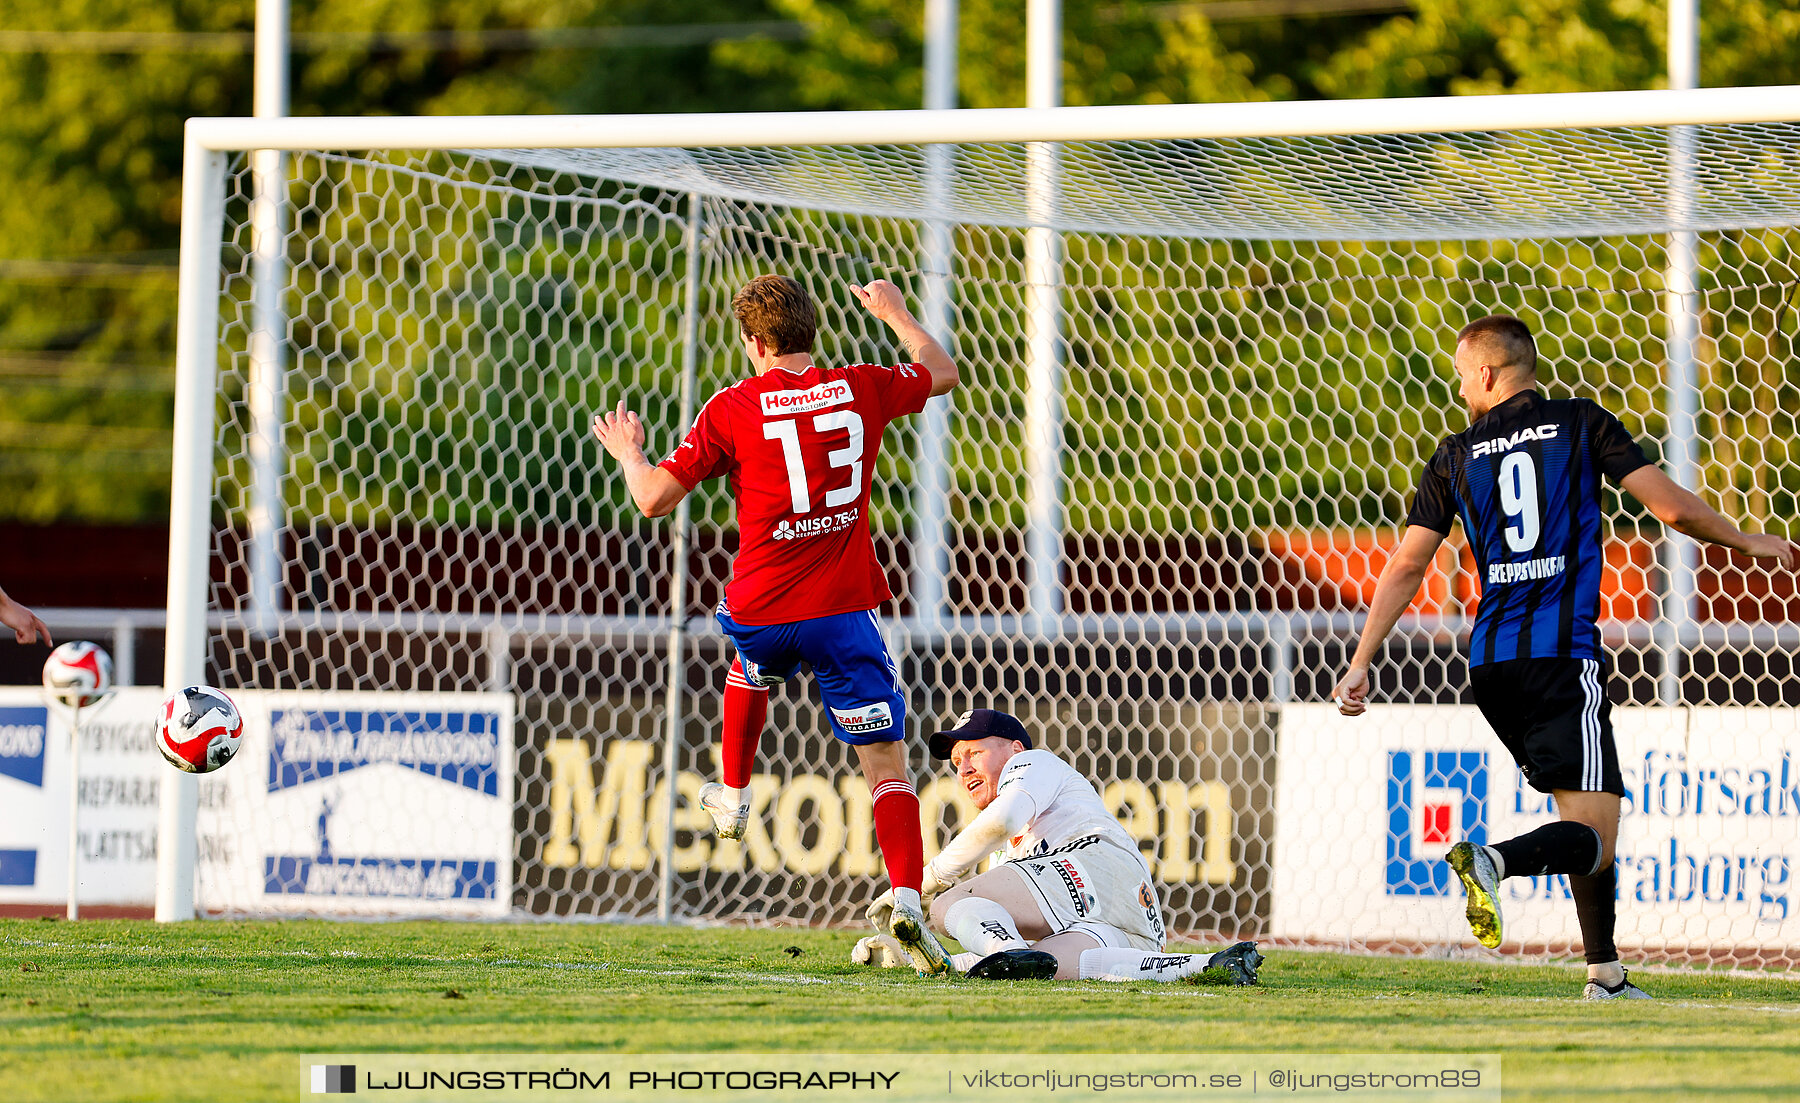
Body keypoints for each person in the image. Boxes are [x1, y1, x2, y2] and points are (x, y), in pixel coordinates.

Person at [1331, 314, 1797, 1000]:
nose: (1462, 387)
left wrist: (1361, 659)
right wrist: (1744, 540)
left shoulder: (1454, 454)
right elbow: (1668, 510)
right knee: (1596, 836)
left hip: (1490, 665)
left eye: (1462, 375)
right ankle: (1492, 860)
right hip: (1560, 657)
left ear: (1486, 375)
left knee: (1588, 816)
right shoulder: (1582, 422)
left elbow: (1407, 564)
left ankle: (1604, 974)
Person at [592, 274, 958, 974]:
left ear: (754, 342)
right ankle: (907, 898)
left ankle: (732, 794)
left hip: (762, 611)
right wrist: (895, 313)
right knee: (886, 769)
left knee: (750, 660)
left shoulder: (732, 407)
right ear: (809, 333)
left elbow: (651, 500)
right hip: (843, 614)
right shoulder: (860, 386)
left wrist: (628, 449)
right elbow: (942, 371)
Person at [861, 708, 1262, 985]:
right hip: (1134, 928)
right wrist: (907, 953)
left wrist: (922, 884)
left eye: (974, 753)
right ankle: (1213, 963)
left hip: (1096, 866)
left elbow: (1002, 820)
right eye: (956, 762)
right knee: (1049, 966)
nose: (963, 769)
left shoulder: (1033, 763)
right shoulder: (1009, 858)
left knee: (947, 905)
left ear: (1014, 749)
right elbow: (1016, 953)